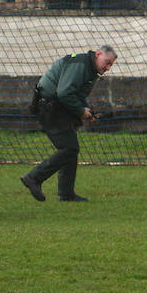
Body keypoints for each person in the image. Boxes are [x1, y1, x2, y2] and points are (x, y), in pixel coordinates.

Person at [20, 46, 117, 203]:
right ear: (98, 54)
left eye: (110, 65)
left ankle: (66, 194)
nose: (108, 68)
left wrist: (87, 110)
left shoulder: (88, 67)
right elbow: (64, 93)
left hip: (55, 106)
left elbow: (75, 93)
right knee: (69, 148)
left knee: (70, 148)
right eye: (107, 62)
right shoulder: (81, 65)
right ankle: (34, 177)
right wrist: (80, 111)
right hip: (50, 107)